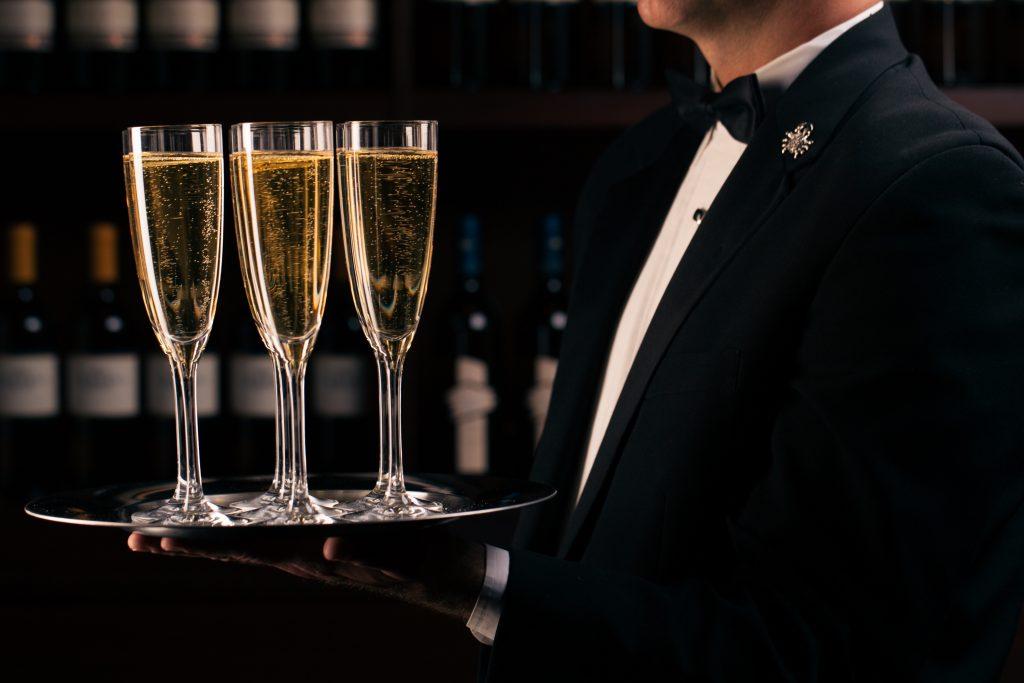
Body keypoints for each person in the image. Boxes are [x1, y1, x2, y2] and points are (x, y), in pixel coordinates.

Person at [131, 1, 1024, 679]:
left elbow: (872, 655)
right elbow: (596, 538)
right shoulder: (638, 170)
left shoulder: (939, 189)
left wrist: (474, 581)